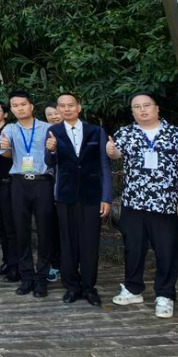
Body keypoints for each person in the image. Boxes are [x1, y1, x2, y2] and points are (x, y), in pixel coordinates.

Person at [108, 92, 178, 319]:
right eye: (136, 107)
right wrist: (112, 152)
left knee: (166, 249)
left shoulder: (175, 134)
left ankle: (165, 294)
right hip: (134, 201)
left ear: (157, 108)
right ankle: (133, 288)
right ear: (132, 111)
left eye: (146, 105)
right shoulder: (126, 133)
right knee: (133, 247)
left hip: (165, 202)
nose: (142, 110)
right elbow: (115, 153)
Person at [45, 92, 112, 306]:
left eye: (70, 105)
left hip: (92, 195)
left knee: (90, 242)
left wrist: (107, 197)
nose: (66, 109)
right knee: (68, 242)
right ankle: (71, 287)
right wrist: (51, 150)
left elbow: (104, 165)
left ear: (79, 107)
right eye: (62, 106)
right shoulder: (53, 131)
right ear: (58, 109)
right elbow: (49, 162)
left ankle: (89, 287)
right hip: (66, 194)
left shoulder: (96, 131)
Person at [0, 90, 53, 298]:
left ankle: (42, 278)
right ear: (11, 109)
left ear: (31, 106)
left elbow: (56, 153)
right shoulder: (10, 129)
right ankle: (27, 277)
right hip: (19, 182)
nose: (19, 108)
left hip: (43, 182)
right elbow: (3, 153)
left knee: (45, 230)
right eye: (14, 105)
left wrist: (54, 147)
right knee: (20, 230)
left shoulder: (48, 128)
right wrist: (4, 147)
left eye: (23, 104)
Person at [0, 101, 18, 281]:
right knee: (2, 226)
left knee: (11, 226)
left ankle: (16, 266)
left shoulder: (11, 131)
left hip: (10, 182)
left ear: (6, 114)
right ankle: (7, 261)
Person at [43, 102, 63, 283]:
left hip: (72, 190)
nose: (54, 116)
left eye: (56, 112)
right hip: (50, 188)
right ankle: (55, 265)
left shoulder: (79, 132)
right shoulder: (48, 134)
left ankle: (72, 265)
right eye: (49, 115)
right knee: (53, 230)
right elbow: (48, 161)